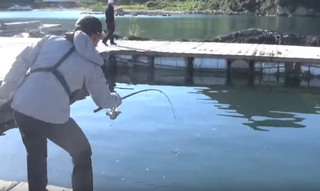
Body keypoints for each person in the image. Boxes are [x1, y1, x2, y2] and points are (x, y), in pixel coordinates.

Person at [0, 16, 122, 191]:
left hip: (22, 108)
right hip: (52, 118)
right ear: (95, 36)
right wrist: (116, 98)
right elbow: (103, 100)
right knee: (82, 153)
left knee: (35, 154)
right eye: (100, 38)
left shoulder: (48, 40)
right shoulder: (92, 64)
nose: (98, 43)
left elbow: (19, 64)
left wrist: (3, 94)